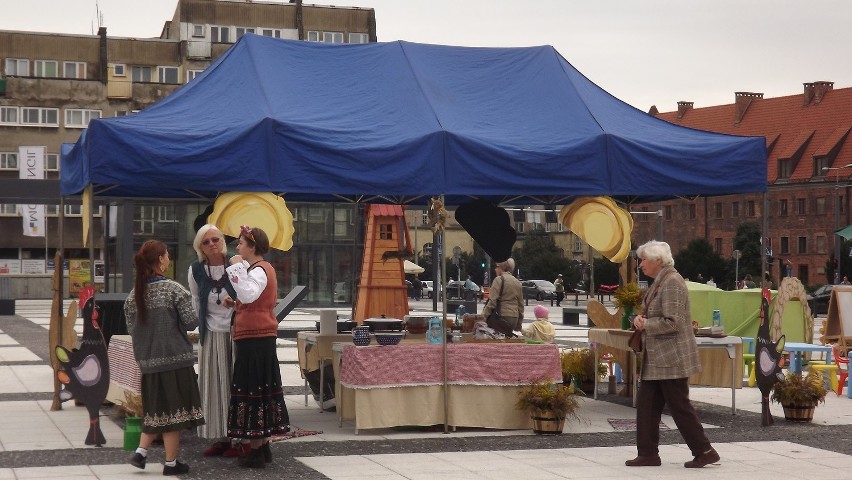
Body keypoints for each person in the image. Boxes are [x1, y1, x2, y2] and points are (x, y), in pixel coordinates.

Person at [626, 240, 719, 469]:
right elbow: (658, 314)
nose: (640, 265)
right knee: (647, 406)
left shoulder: (672, 282)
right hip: (658, 358)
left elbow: (673, 322)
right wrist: (639, 319)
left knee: (679, 406)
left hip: (670, 358)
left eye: (643, 260)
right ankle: (648, 454)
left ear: (658, 260)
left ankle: (704, 451)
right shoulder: (662, 280)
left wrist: (646, 324)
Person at [124, 240, 204, 476]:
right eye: (167, 254)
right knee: (175, 413)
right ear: (160, 259)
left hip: (148, 363)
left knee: (156, 410)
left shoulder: (133, 296)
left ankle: (141, 452)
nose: (168, 258)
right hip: (175, 360)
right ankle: (170, 463)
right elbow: (192, 322)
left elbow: (132, 330)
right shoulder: (173, 290)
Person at [224, 225, 290, 468]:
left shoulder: (260, 269)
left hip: (256, 337)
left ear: (252, 246)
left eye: (241, 243)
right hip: (255, 335)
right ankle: (261, 448)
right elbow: (250, 299)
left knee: (254, 389)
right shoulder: (258, 270)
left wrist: (236, 265)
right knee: (258, 389)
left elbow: (250, 294)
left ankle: (256, 449)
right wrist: (235, 304)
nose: (237, 247)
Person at [187, 224, 245, 457]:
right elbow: (195, 300)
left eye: (215, 239)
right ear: (200, 246)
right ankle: (220, 436)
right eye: (206, 241)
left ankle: (240, 438)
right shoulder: (195, 270)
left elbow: (248, 294)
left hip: (236, 333)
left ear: (223, 240)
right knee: (213, 386)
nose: (212, 244)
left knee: (235, 386)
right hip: (210, 333)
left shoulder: (236, 264)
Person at [481, 258, 524, 337]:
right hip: (514, 319)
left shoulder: (499, 280)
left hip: (501, 318)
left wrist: (482, 318)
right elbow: (520, 306)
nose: (495, 269)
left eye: (497, 266)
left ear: (502, 267)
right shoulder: (517, 282)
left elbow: (492, 302)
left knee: (485, 331)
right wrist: (518, 324)